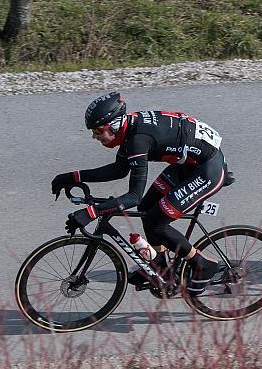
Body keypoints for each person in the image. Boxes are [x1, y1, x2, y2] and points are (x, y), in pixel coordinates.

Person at [51, 92, 229, 293]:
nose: (94, 136)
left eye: (97, 130)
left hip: (207, 170)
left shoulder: (138, 140)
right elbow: (119, 170)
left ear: (115, 124)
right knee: (147, 208)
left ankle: (203, 263)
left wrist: (91, 213)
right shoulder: (129, 130)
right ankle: (160, 266)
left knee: (157, 221)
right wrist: (72, 177)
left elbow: (133, 197)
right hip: (187, 164)